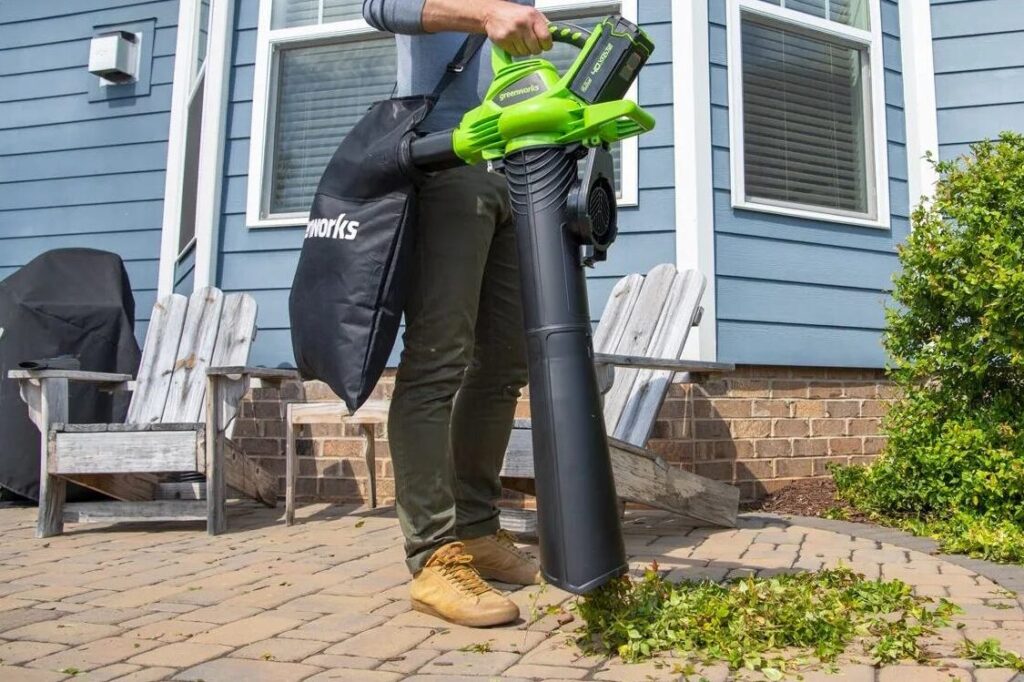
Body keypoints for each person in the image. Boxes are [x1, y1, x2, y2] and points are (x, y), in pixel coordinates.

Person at [361, 0, 553, 627]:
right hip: (444, 163)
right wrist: (487, 13)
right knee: (437, 361)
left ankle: (476, 530)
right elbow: (379, 8)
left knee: (503, 367)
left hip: (512, 173)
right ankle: (434, 556)